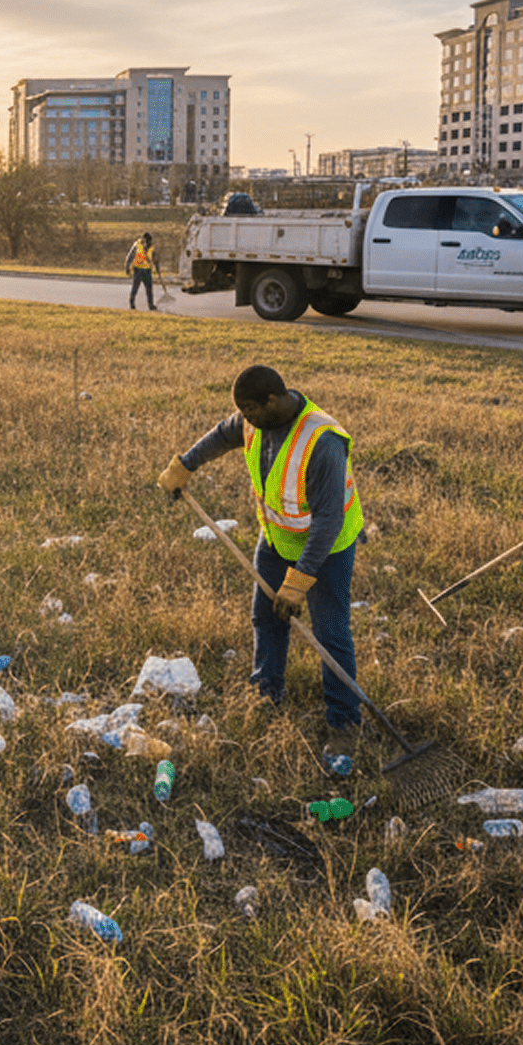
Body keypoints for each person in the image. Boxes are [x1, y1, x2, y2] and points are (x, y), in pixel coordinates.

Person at [158, 365, 364, 750]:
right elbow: (224, 433)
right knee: (266, 616)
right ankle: (266, 693)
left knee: (331, 634)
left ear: (273, 400)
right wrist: (185, 465)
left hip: (327, 548)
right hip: (276, 539)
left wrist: (299, 582)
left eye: (250, 410)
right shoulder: (255, 420)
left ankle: (344, 721)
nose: (244, 419)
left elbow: (328, 521)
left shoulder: (321, 441)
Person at [125, 232, 159, 310]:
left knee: (149, 289)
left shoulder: (151, 246)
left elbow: (154, 258)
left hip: (147, 270)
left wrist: (157, 267)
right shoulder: (137, 245)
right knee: (135, 288)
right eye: (147, 241)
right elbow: (130, 256)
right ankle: (132, 303)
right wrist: (127, 267)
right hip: (138, 270)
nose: (149, 243)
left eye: (150, 241)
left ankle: (151, 305)